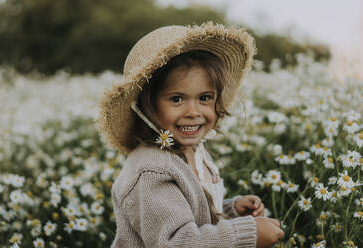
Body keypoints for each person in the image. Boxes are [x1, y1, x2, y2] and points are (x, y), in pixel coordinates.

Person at [98, 22, 284, 248]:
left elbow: (191, 212)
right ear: (147, 105)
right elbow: (177, 242)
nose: (193, 112)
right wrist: (245, 234)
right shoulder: (152, 170)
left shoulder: (194, 150)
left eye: (205, 98)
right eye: (177, 99)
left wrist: (230, 209)